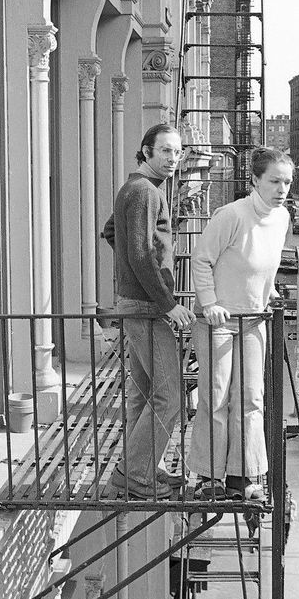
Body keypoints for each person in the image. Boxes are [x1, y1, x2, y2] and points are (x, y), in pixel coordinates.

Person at [189, 147, 293, 501]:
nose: (282, 189)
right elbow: (201, 260)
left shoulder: (281, 219)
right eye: (274, 181)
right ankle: (208, 477)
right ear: (255, 180)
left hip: (253, 320)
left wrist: (271, 289)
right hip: (218, 321)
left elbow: (265, 262)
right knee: (215, 398)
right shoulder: (230, 215)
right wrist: (210, 304)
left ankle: (241, 476)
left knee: (250, 399)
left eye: (287, 182)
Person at [102, 123, 196, 500]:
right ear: (146, 151)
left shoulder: (138, 189)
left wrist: (130, 271)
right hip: (146, 307)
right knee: (170, 396)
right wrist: (168, 304)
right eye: (166, 152)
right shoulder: (144, 191)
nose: (174, 159)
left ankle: (142, 467)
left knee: (144, 396)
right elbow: (141, 254)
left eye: (178, 152)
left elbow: (111, 233)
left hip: (138, 302)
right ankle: (135, 476)